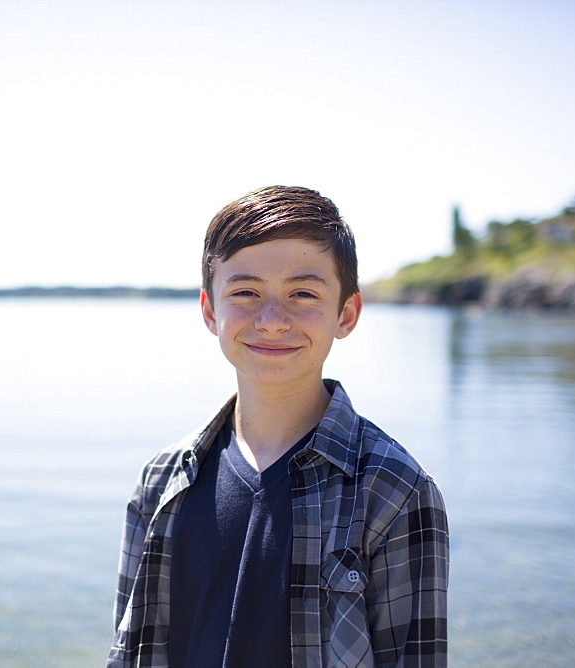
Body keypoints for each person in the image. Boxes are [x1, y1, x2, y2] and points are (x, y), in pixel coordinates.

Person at [107, 186, 449, 667]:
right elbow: (130, 646)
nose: (271, 321)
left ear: (345, 314)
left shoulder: (394, 489)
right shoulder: (162, 480)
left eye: (303, 293)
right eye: (245, 293)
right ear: (210, 310)